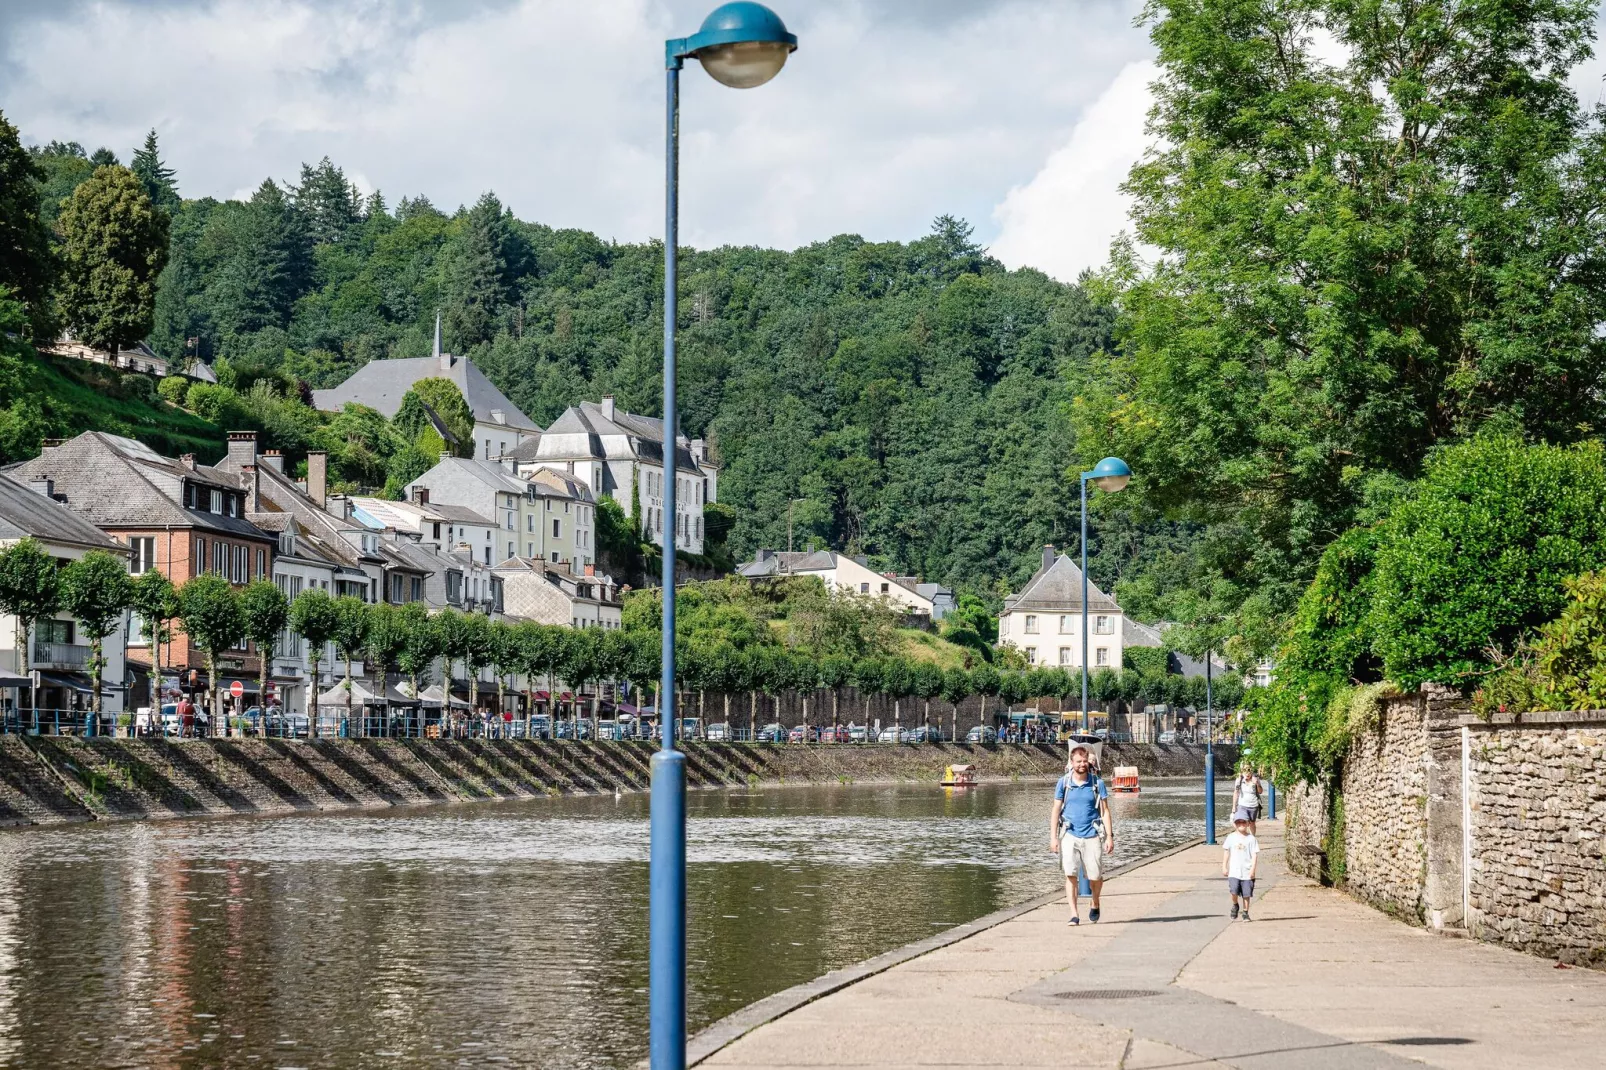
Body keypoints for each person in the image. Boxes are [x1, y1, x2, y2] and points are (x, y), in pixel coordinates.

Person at [1050, 742, 1115, 925]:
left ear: (1089, 762)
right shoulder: (1064, 783)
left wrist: (1109, 836)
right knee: (1070, 874)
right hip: (1069, 834)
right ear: (1071, 762)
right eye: (1078, 761)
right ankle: (1074, 914)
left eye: (1084, 761)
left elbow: (1105, 811)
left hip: (1092, 834)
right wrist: (1053, 837)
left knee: (1095, 876)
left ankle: (1095, 902)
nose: (1081, 764)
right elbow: (1056, 810)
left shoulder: (1097, 783)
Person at [1222, 810, 1260, 920]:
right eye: (1238, 822)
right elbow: (1226, 852)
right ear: (1235, 824)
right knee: (1233, 890)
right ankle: (1235, 905)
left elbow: (1254, 855)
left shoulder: (1251, 839)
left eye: (1243, 822)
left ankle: (1245, 912)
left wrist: (1253, 869)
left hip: (1247, 871)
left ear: (1248, 823)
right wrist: (1224, 866)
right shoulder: (1231, 837)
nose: (1241, 825)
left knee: (1246, 894)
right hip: (1234, 871)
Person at [1231, 767, 1264, 835]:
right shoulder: (1239, 780)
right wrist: (1234, 806)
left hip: (1253, 805)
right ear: (1242, 772)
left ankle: (1252, 838)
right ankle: (1242, 836)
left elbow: (1260, 792)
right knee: (1240, 821)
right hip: (1242, 805)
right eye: (1245, 772)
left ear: (1251, 772)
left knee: (1252, 823)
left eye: (1249, 772)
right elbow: (1236, 792)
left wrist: (1257, 784)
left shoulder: (1255, 779)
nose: (1247, 774)